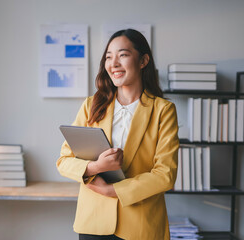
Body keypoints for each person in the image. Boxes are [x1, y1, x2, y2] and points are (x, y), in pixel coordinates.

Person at [56, 29, 179, 240]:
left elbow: (165, 174)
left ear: (143, 61)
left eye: (122, 55)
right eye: (108, 57)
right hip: (93, 224)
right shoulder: (91, 106)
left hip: (140, 227)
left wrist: (113, 191)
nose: (113, 64)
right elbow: (64, 161)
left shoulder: (163, 110)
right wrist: (95, 167)